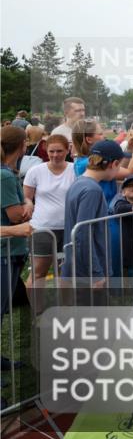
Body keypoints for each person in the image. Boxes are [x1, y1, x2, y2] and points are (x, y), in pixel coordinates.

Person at [61, 140, 124, 285]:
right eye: (119, 165)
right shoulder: (92, 190)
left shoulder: (78, 183)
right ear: (113, 164)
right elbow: (83, 234)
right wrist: (96, 273)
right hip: (89, 271)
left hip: (78, 266)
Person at [23, 134, 74, 284]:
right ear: (46, 151)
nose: (55, 155)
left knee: (65, 274)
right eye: (51, 151)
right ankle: (36, 308)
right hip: (42, 228)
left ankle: (65, 307)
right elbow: (26, 197)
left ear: (67, 150)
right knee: (38, 273)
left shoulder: (75, 170)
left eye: (59, 151)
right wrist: (28, 203)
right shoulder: (35, 171)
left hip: (69, 228)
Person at [1, 126, 33, 322]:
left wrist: (27, 203)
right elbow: (16, 216)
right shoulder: (4, 176)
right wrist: (28, 205)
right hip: (5, 249)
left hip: (12, 249)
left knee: (5, 304)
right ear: (23, 145)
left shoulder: (8, 172)